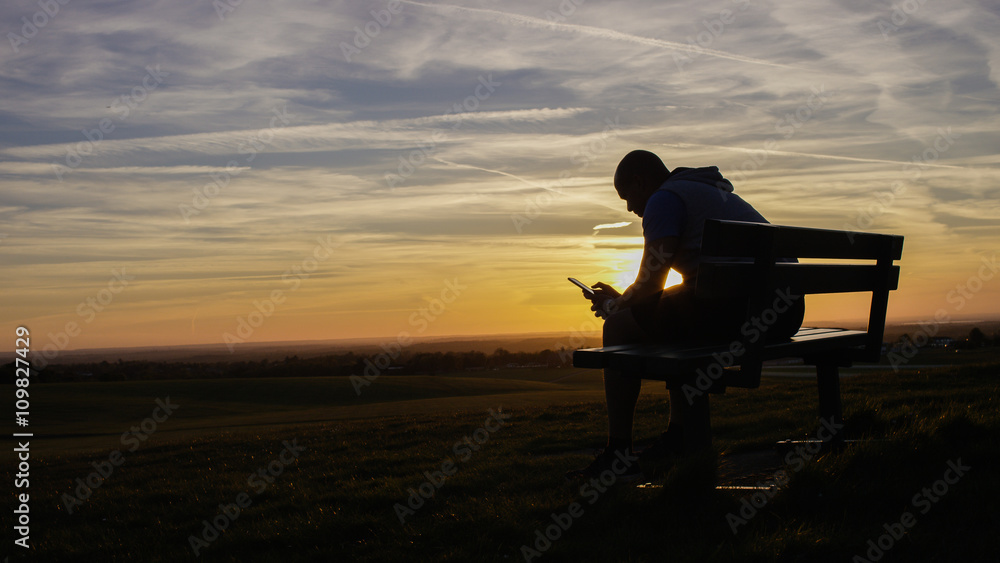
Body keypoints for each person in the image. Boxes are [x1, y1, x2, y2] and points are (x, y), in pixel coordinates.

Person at [565, 150, 804, 482]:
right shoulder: (705, 191)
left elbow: (653, 280)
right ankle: (679, 437)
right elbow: (660, 294)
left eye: (627, 197)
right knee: (672, 315)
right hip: (784, 312)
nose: (630, 208)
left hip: (743, 310)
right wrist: (627, 301)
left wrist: (617, 308)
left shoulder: (665, 198)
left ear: (640, 181)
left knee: (619, 327)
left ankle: (618, 453)